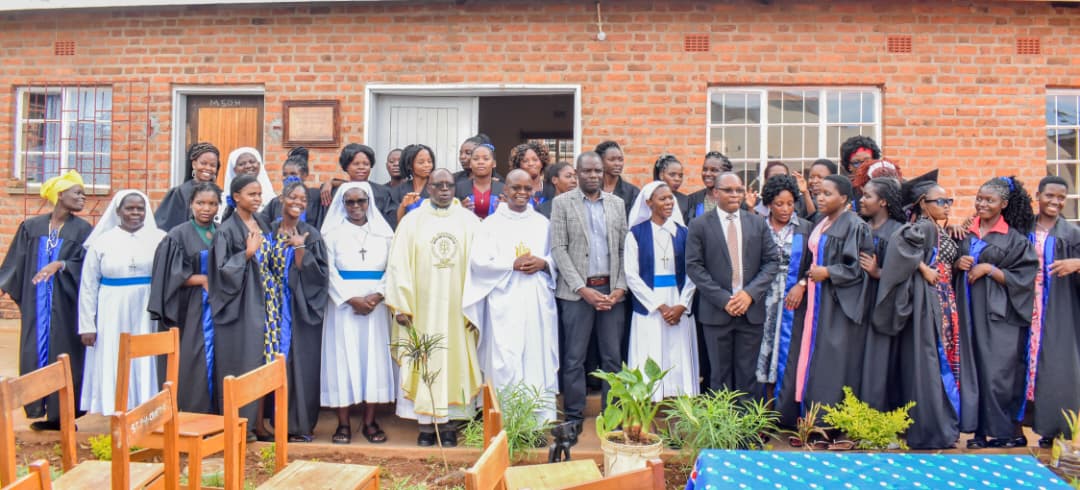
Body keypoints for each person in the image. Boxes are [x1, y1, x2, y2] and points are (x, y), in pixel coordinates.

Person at [385, 168, 482, 447]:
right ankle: (426, 426)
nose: (443, 190)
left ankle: (450, 424)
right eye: (438, 185)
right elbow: (398, 263)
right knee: (424, 356)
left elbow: (479, 268)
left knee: (455, 359)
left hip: (458, 308)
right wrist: (401, 305)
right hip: (422, 308)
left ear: (455, 188)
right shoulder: (412, 221)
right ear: (428, 188)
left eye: (449, 185)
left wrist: (475, 308)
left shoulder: (470, 222)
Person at [869, 171, 961, 450]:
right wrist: (922, 267)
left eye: (950, 201)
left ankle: (942, 426)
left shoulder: (938, 227)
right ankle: (934, 429)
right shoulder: (923, 226)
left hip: (944, 299)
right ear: (923, 203)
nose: (947, 206)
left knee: (943, 361)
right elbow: (900, 242)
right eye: (940, 201)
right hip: (930, 301)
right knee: (933, 364)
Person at [464, 169, 559, 423]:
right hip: (504, 302)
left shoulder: (542, 223)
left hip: (537, 301)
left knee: (536, 358)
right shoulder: (491, 224)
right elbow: (479, 263)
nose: (522, 193)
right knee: (505, 359)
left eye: (527, 189)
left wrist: (544, 262)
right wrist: (511, 263)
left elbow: (556, 257)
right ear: (504, 190)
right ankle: (508, 421)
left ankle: (538, 421)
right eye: (516, 188)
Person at [0, 171, 92, 430]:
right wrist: (4, 285)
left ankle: (63, 415)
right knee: (33, 353)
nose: (82, 197)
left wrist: (62, 264)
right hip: (36, 305)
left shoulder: (83, 230)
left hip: (66, 305)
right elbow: (15, 263)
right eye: (77, 193)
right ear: (60, 195)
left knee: (66, 355)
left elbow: (87, 265)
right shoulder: (31, 227)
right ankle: (39, 409)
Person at [954, 176, 1037, 449]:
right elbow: (953, 267)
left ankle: (1002, 432)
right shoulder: (969, 233)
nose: (982, 204)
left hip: (1000, 318)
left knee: (998, 374)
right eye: (979, 198)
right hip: (970, 314)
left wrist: (991, 270)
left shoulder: (1014, 238)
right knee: (974, 371)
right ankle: (978, 432)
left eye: (989, 200)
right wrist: (960, 262)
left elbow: (1025, 276)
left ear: (1003, 204)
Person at [549, 151, 628, 435]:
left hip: (611, 292)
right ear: (578, 173)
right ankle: (573, 415)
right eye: (587, 171)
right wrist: (582, 289)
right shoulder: (562, 204)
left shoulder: (617, 204)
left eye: (597, 171)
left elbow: (623, 249)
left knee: (611, 358)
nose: (593, 175)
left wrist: (619, 288)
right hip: (576, 294)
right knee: (574, 358)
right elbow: (558, 249)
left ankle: (613, 415)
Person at [686, 172, 779, 397]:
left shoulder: (757, 223)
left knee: (748, 375)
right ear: (716, 193)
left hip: (751, 311)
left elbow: (772, 262)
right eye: (728, 190)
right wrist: (723, 299)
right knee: (719, 376)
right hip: (716, 313)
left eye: (739, 190)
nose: (735, 195)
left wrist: (749, 294)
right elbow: (694, 267)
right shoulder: (699, 225)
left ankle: (747, 431)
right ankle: (722, 430)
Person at [320, 182, 396, 444]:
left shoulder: (384, 234)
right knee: (343, 360)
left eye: (360, 201)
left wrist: (376, 296)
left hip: (376, 305)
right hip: (343, 306)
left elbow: (393, 268)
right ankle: (342, 423)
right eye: (349, 202)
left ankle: (369, 421)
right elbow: (327, 271)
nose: (355, 207)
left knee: (372, 360)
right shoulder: (331, 235)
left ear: (369, 202)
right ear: (342, 205)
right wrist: (351, 299)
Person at [79, 190, 166, 416]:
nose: (135, 213)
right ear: (118, 211)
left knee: (146, 354)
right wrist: (87, 324)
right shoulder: (102, 242)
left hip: (147, 306)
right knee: (113, 353)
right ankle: (116, 405)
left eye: (140, 208)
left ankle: (146, 405)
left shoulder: (160, 238)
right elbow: (88, 286)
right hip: (112, 306)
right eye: (130, 208)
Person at [791, 175, 872, 412]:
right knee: (815, 357)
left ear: (844, 198)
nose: (820, 197)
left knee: (831, 361)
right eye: (819, 193)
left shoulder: (854, 225)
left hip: (836, 304)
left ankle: (829, 421)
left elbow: (859, 268)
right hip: (817, 299)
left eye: (828, 193)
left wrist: (828, 272)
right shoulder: (823, 222)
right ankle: (813, 420)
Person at [207, 174, 273, 441]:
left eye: (259, 194)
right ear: (236, 197)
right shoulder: (226, 230)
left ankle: (258, 423)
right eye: (251, 194)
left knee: (261, 361)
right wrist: (246, 253)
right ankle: (238, 425)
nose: (257, 199)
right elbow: (220, 271)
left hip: (266, 298)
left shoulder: (262, 222)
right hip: (240, 303)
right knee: (241, 361)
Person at [147, 182, 222, 414]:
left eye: (212, 204)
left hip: (218, 308)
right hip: (189, 309)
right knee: (192, 361)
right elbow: (167, 274)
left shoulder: (222, 232)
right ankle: (190, 415)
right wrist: (201, 280)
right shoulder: (177, 235)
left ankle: (216, 417)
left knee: (219, 361)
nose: (206, 209)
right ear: (191, 204)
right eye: (200, 203)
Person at [624, 181, 698, 400]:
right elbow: (631, 275)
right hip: (651, 302)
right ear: (649, 203)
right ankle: (650, 399)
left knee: (678, 350)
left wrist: (682, 304)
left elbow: (694, 271)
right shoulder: (636, 234)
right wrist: (661, 306)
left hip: (679, 299)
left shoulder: (684, 233)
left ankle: (678, 398)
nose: (669, 202)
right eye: (662, 198)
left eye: (670, 198)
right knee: (651, 349)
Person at [1027, 175, 1080, 448]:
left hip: (1057, 309)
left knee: (1057, 368)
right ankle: (1014, 426)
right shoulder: (1023, 227)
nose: (1056, 202)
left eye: (1061, 197)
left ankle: (1055, 430)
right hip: (1024, 310)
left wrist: (1077, 263)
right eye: (1050, 196)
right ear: (1038, 195)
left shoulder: (1072, 234)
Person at [755, 175, 811, 405]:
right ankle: (761, 410)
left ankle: (784, 408)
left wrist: (802, 284)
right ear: (768, 203)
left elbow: (813, 261)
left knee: (787, 351)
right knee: (762, 350)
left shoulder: (805, 228)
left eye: (790, 203)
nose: (786, 209)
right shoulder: (757, 225)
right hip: (761, 297)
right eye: (779, 204)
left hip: (792, 298)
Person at [856, 177, 906, 411]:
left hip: (885, 305)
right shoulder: (859, 226)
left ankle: (879, 419)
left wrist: (879, 273)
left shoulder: (899, 232)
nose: (862, 200)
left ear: (883, 201)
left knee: (880, 362)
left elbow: (908, 272)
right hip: (859, 305)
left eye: (868, 196)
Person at [319, 143, 399, 228]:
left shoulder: (384, 192)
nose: (361, 167)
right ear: (346, 166)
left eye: (366, 164)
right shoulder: (335, 192)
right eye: (356, 164)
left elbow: (390, 223)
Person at [156, 142, 220, 231]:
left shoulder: (219, 194)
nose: (208, 168)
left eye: (212, 165)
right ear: (194, 164)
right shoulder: (180, 193)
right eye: (203, 163)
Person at [262, 147, 326, 229]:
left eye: (293, 174)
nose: (288, 178)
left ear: (304, 175)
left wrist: (330, 183)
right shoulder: (276, 202)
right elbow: (262, 223)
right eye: (285, 174)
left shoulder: (316, 196)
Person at [220, 147, 275, 222]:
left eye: (252, 162)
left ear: (259, 165)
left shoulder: (272, 199)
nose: (248, 166)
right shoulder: (223, 200)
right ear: (234, 169)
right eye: (242, 164)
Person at [456, 143, 504, 220]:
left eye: (486, 159)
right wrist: (459, 210)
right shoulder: (459, 188)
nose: (480, 162)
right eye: (475, 159)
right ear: (470, 164)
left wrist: (505, 210)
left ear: (494, 163)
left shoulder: (503, 189)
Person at [392, 144, 435, 223]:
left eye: (429, 161)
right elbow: (397, 223)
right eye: (421, 162)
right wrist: (403, 206)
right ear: (409, 166)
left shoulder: (437, 188)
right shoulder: (399, 190)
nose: (427, 165)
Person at [595, 141, 639, 215]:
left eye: (620, 160)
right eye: (612, 160)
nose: (617, 164)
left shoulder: (633, 192)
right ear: (600, 162)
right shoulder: (592, 190)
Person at [686, 151, 732, 222]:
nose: (707, 173)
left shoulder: (734, 199)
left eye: (714, 170)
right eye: (705, 169)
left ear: (724, 173)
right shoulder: (692, 200)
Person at [509, 142, 551, 208]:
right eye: (525, 161)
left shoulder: (552, 189)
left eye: (535, 160)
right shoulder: (512, 190)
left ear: (542, 163)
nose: (531, 163)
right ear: (518, 165)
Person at [653, 154, 689, 222]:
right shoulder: (649, 198)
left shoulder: (686, 200)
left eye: (680, 176)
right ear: (661, 175)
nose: (677, 179)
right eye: (672, 175)